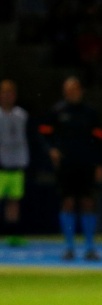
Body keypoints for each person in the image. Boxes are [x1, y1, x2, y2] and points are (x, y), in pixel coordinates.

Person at [39, 76, 102, 260]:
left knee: (88, 203)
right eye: (68, 90)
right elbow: (44, 134)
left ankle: (90, 247)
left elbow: (100, 140)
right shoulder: (57, 111)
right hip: (66, 165)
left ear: (81, 91)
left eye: (74, 89)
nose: (71, 93)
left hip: (86, 164)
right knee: (67, 202)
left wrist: (100, 164)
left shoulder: (90, 113)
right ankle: (69, 247)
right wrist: (51, 150)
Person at [0, 79, 30, 247]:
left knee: (14, 201)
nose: (7, 96)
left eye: (10, 93)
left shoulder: (22, 115)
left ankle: (12, 235)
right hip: (1, 165)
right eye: (4, 93)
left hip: (16, 165)